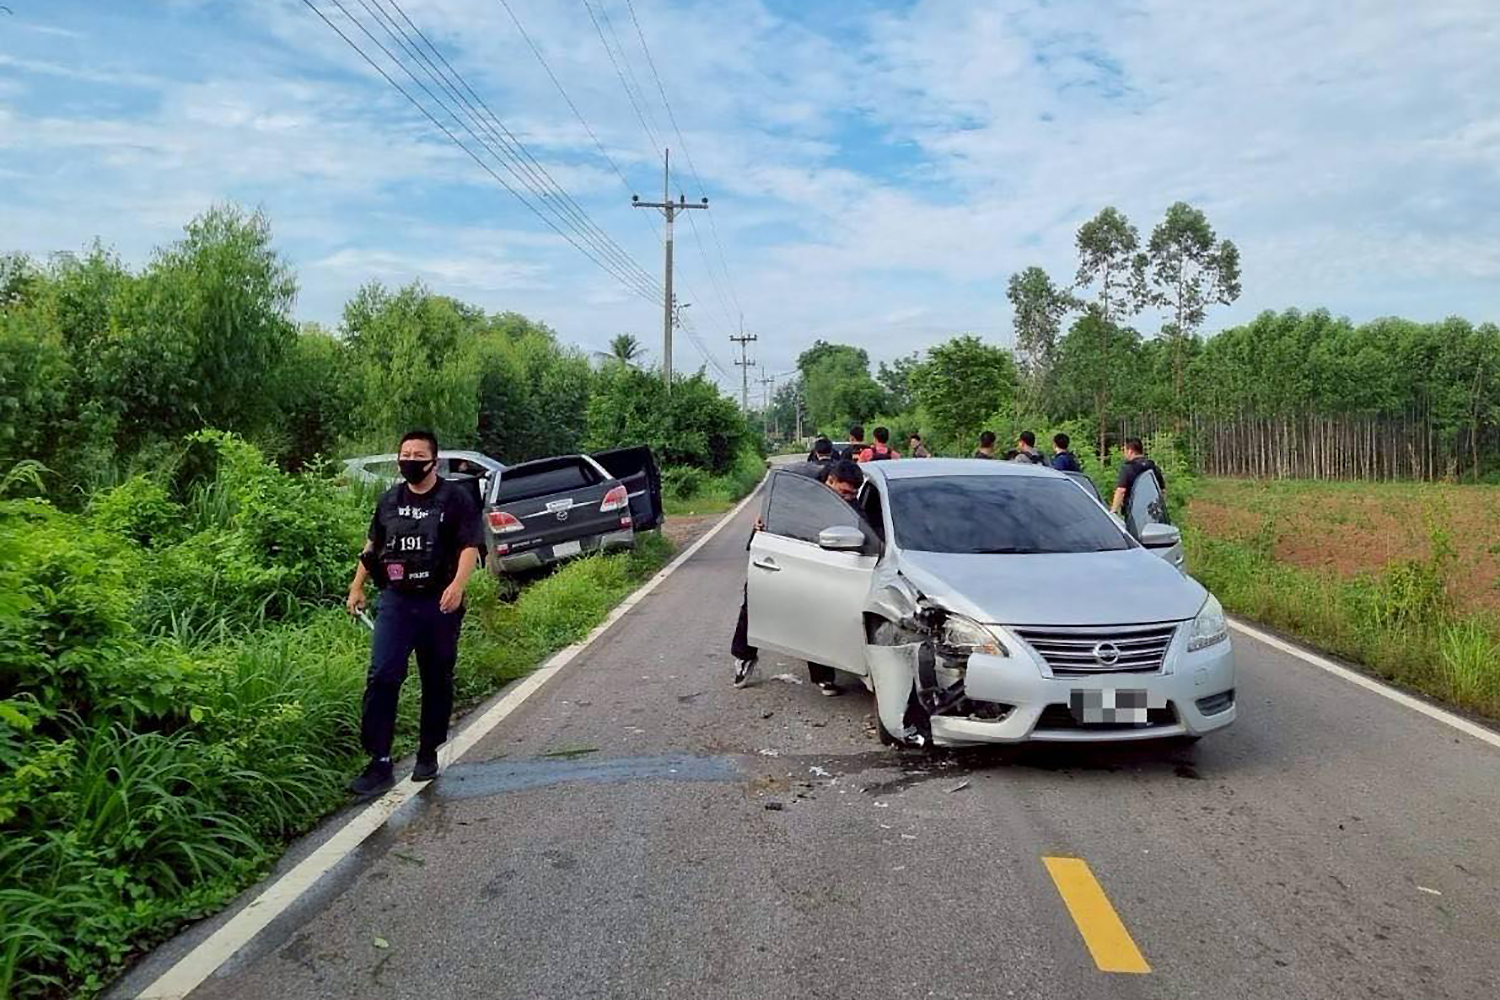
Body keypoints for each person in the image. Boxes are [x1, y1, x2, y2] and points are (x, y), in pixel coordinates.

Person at [346, 430, 485, 796]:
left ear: (433, 461)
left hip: (439, 601)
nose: (409, 459)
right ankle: (379, 762)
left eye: (417, 454)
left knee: (436, 676)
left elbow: (470, 545)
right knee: (382, 675)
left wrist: (458, 585)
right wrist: (357, 585)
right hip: (396, 600)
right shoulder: (389, 500)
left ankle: (428, 751)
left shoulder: (454, 499)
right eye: (404, 453)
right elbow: (373, 544)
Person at [732, 460, 868, 697]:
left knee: (817, 612)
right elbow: (774, 498)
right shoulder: (799, 480)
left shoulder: (853, 504)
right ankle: (744, 657)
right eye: (844, 492)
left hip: (820, 555)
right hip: (784, 543)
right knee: (755, 600)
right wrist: (762, 517)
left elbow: (868, 530)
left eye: (853, 494)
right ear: (830, 481)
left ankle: (823, 677)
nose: (848, 497)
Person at [1111, 437, 1166, 515]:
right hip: (1151, 513)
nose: (1124, 453)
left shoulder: (1127, 468)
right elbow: (1162, 491)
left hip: (1133, 514)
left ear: (1130, 451)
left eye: (1125, 450)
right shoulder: (1153, 467)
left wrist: (1113, 511)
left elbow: (1121, 490)